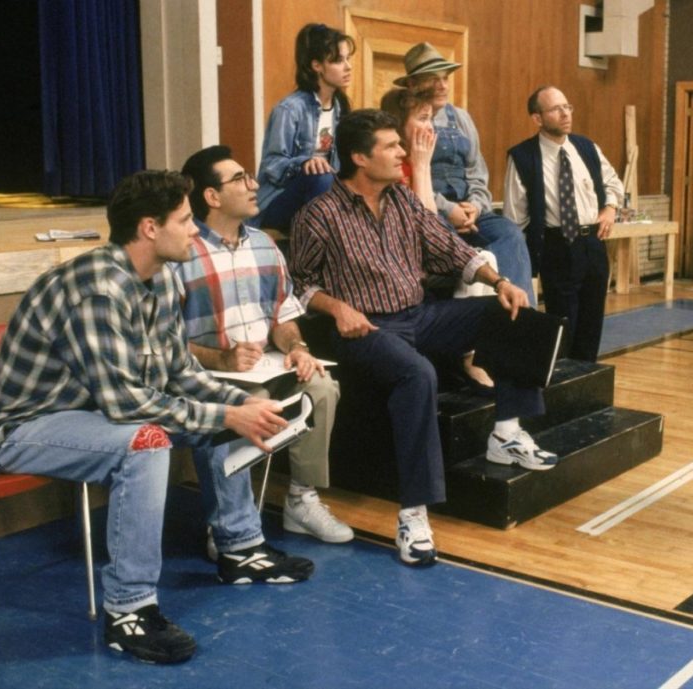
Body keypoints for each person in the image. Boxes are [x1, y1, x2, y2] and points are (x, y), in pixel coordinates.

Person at [0, 171, 314, 664]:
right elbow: (126, 404)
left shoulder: (163, 277)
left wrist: (240, 405)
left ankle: (239, 550)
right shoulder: (98, 290)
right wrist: (226, 414)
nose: (196, 230)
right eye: (185, 220)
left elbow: (180, 373)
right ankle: (129, 611)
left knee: (230, 406)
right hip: (22, 428)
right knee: (148, 440)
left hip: (90, 415)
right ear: (150, 228)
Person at [289, 109, 560, 566]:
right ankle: (413, 515)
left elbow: (451, 248)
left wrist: (500, 283)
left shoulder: (403, 200)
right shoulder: (319, 214)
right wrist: (337, 308)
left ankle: (507, 431)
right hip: (366, 328)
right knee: (419, 375)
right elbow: (298, 283)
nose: (402, 153)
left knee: (511, 314)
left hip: (419, 314)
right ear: (359, 156)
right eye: (391, 146)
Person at [178, 145, 352, 549]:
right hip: (209, 376)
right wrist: (219, 357)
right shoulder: (182, 252)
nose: (254, 184)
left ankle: (301, 501)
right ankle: (228, 525)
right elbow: (164, 341)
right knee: (248, 403)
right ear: (212, 196)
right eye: (240, 178)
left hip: (267, 366)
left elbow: (282, 317)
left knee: (322, 387)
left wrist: (298, 347)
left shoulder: (264, 245)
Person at [395, 42, 536, 306]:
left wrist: (476, 206)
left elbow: (476, 171)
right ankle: (471, 318)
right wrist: (449, 209)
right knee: (446, 241)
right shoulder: (403, 121)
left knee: (509, 233)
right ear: (413, 84)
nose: (443, 85)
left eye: (445, 78)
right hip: (432, 210)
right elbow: (406, 179)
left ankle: (519, 313)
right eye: (433, 79)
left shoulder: (461, 118)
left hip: (472, 210)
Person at [380, 86, 498, 392]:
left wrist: (422, 164)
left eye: (431, 118)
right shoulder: (392, 165)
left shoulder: (417, 159)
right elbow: (423, 226)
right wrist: (420, 165)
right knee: (479, 260)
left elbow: (430, 225)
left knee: (486, 256)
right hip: (399, 267)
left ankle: (475, 354)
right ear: (398, 125)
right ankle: (467, 355)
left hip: (424, 254)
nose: (430, 126)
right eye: (422, 118)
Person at [505, 86, 625, 362]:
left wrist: (609, 208)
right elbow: (515, 217)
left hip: (593, 244)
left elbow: (612, 182)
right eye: (556, 109)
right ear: (537, 118)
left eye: (567, 107)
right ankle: (562, 382)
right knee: (563, 324)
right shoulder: (523, 157)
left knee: (592, 322)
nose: (565, 114)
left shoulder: (587, 147)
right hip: (556, 246)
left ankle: (586, 381)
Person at [254, 23, 354, 230]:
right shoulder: (290, 109)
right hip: (280, 200)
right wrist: (304, 163)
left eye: (347, 59)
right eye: (338, 60)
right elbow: (272, 164)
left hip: (324, 198)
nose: (348, 67)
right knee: (321, 176)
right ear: (316, 65)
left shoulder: (341, 108)